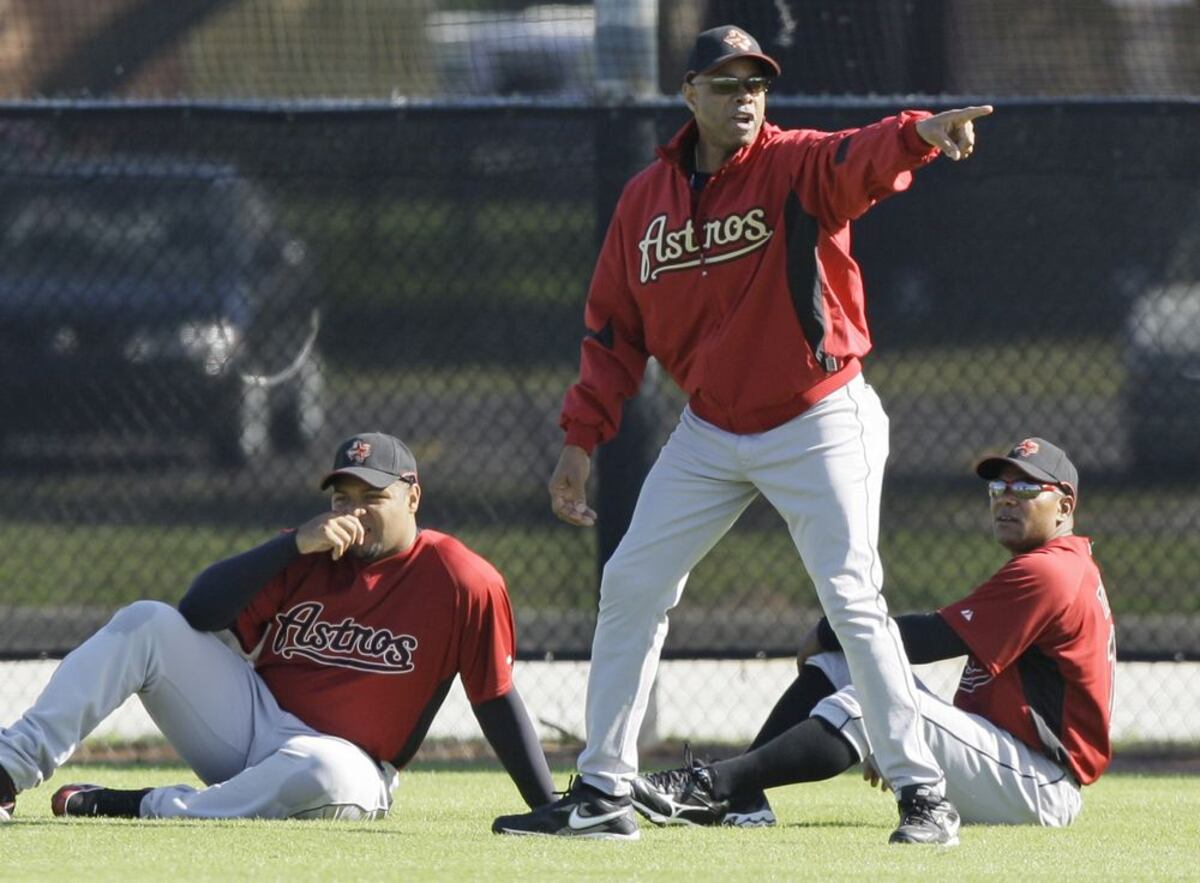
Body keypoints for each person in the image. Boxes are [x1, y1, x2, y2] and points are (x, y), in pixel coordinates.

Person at [492, 24, 991, 844]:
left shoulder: (791, 164)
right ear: (689, 94)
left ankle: (923, 792)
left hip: (820, 414)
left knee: (852, 601)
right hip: (711, 427)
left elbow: (855, 156)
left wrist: (920, 134)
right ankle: (604, 790)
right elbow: (614, 332)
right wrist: (581, 439)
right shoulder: (644, 200)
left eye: (755, 81)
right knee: (631, 582)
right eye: (725, 84)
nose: (745, 96)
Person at [0, 432, 554, 822]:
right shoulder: (308, 549)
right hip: (253, 725)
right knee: (147, 620)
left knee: (325, 769)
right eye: (343, 497)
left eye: (373, 497)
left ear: (413, 496)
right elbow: (197, 614)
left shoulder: (463, 580)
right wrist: (290, 545)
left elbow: (495, 697)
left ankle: (134, 804)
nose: (354, 512)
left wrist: (547, 806)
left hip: (353, 764)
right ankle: (9, 769)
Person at [631, 437, 1115, 832]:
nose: (1007, 497)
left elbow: (932, 640)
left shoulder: (1054, 572)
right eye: (999, 487)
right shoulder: (1057, 566)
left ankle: (712, 784)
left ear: (1064, 504)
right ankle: (744, 794)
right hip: (1001, 759)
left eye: (1026, 489)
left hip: (1038, 783)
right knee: (842, 667)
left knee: (871, 694)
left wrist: (831, 628)